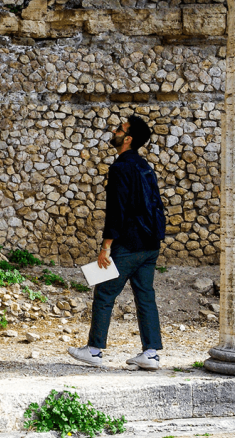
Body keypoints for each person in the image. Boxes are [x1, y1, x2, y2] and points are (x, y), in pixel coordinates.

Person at [68, 115, 166, 370]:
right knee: (145, 296)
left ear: (128, 138)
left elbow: (117, 210)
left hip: (129, 243)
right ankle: (151, 353)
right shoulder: (145, 166)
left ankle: (94, 350)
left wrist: (106, 247)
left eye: (119, 129)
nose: (114, 131)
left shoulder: (121, 167)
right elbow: (156, 204)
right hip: (150, 243)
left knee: (104, 291)